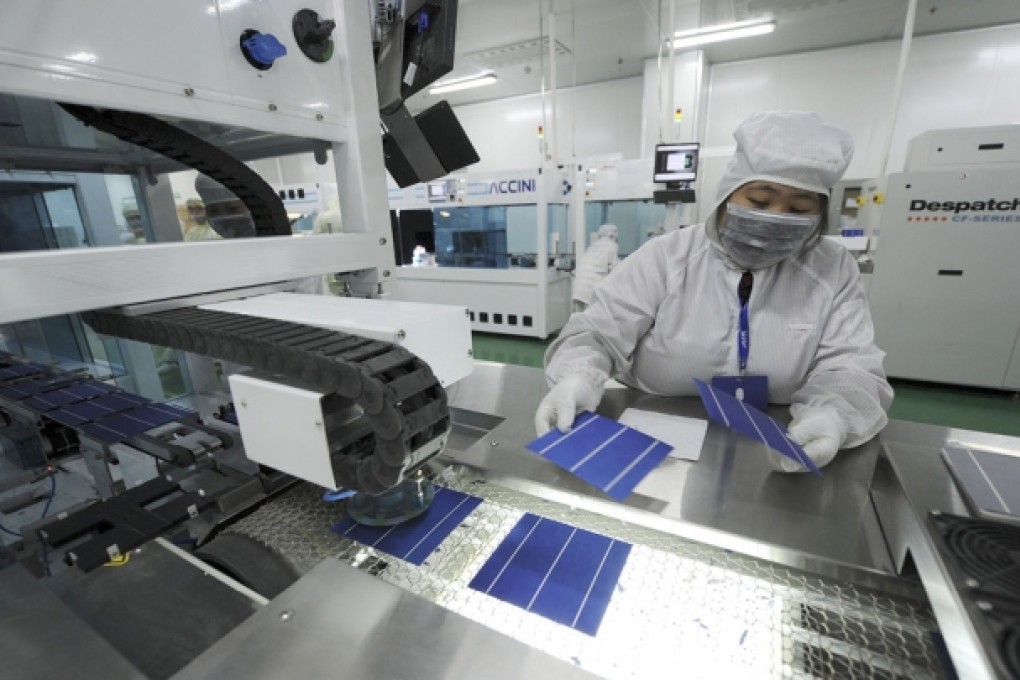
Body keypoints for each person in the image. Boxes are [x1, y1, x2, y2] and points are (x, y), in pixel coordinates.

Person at [535, 111, 893, 474]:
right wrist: (577, 377)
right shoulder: (666, 256)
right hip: (657, 440)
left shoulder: (831, 268)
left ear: (819, 213)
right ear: (727, 192)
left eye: (799, 207)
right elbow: (597, 333)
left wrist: (834, 415)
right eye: (759, 201)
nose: (776, 217)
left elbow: (849, 363)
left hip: (777, 443)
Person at [572, 224, 619, 312]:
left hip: (578, 287)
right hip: (591, 288)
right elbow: (615, 269)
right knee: (592, 318)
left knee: (579, 318)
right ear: (612, 235)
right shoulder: (612, 245)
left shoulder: (592, 246)